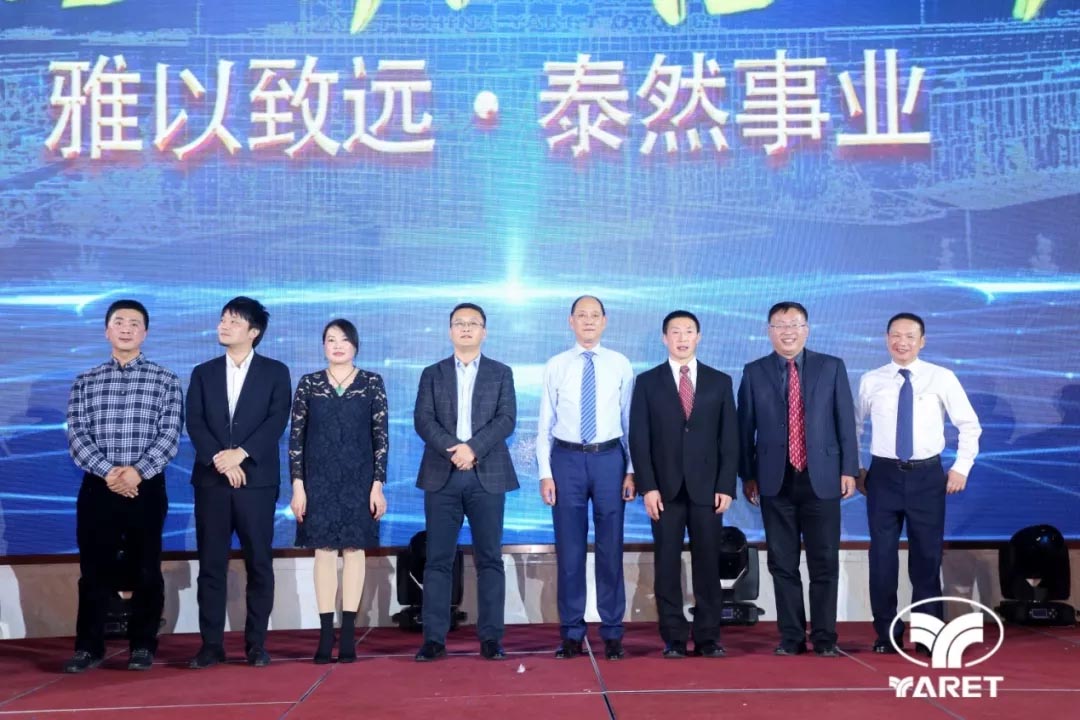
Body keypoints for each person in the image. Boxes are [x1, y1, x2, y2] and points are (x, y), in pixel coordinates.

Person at [63, 300, 182, 673]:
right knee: (93, 570)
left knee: (146, 568)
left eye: (134, 323)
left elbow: (169, 435)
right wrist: (111, 473)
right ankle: (88, 647)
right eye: (119, 322)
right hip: (98, 487)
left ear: (145, 332)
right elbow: (77, 435)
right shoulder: (86, 381)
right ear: (107, 331)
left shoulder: (165, 379)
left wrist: (137, 473)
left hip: (146, 486)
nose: (126, 328)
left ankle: (143, 645)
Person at [737, 301, 857, 657]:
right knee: (782, 562)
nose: (787, 331)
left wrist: (849, 469)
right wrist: (748, 475)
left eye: (794, 324)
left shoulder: (831, 367)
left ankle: (824, 637)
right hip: (774, 480)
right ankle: (791, 636)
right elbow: (745, 429)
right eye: (780, 325)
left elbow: (845, 422)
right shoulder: (754, 371)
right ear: (769, 331)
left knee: (824, 561)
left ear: (806, 329)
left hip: (823, 478)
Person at [856, 312, 981, 653]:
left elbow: (969, 425)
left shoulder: (942, 377)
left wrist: (961, 468)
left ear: (922, 341)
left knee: (926, 559)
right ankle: (886, 634)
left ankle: (928, 634)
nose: (902, 342)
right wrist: (857, 468)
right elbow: (853, 426)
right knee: (882, 558)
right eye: (895, 335)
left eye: (910, 336)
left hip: (927, 477)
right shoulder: (871, 380)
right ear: (886, 339)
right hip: (883, 476)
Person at [186, 297, 291, 669]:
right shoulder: (203, 372)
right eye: (223, 319)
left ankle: (256, 644)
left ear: (254, 331)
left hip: (256, 482)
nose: (224, 325)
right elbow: (195, 421)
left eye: (234, 321)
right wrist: (221, 459)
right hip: (212, 482)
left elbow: (277, 420)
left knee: (259, 562)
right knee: (211, 564)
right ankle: (210, 645)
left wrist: (241, 454)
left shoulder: (275, 372)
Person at [629, 310, 738, 658]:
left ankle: (708, 636)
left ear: (698, 337)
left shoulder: (720, 382)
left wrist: (726, 486)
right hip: (665, 490)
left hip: (708, 490)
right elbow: (639, 439)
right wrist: (648, 487)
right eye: (675, 332)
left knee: (708, 563)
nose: (682, 337)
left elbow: (729, 439)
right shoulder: (647, 382)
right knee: (667, 564)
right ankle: (674, 637)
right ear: (665, 338)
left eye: (688, 331)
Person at [413, 303, 518, 662]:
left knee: (489, 559)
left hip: (486, 474)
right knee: (438, 560)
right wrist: (453, 450)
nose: (466, 328)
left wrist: (472, 448)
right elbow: (423, 420)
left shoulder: (501, 372)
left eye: (473, 323)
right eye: (460, 323)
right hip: (441, 475)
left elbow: (506, 419)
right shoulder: (432, 373)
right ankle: (433, 639)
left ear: (484, 331)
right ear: (450, 331)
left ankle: (491, 638)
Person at [537, 296, 635, 661]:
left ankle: (612, 632)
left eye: (595, 315)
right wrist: (545, 473)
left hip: (609, 459)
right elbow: (544, 424)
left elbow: (629, 422)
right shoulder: (556, 364)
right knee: (570, 550)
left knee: (611, 548)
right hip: (566, 461)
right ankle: (571, 632)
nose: (589, 321)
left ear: (605, 321)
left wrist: (632, 469)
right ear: (571, 321)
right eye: (582, 315)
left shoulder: (620, 364)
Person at [289, 319, 388, 664]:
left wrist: (377, 485)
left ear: (355, 345)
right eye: (331, 339)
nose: (337, 345)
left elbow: (381, 438)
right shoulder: (309, 383)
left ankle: (347, 636)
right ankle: (324, 635)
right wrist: (298, 486)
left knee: (355, 551)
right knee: (324, 553)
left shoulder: (372, 382)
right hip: (318, 482)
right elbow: (296, 440)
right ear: (323, 346)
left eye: (344, 339)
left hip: (360, 482)